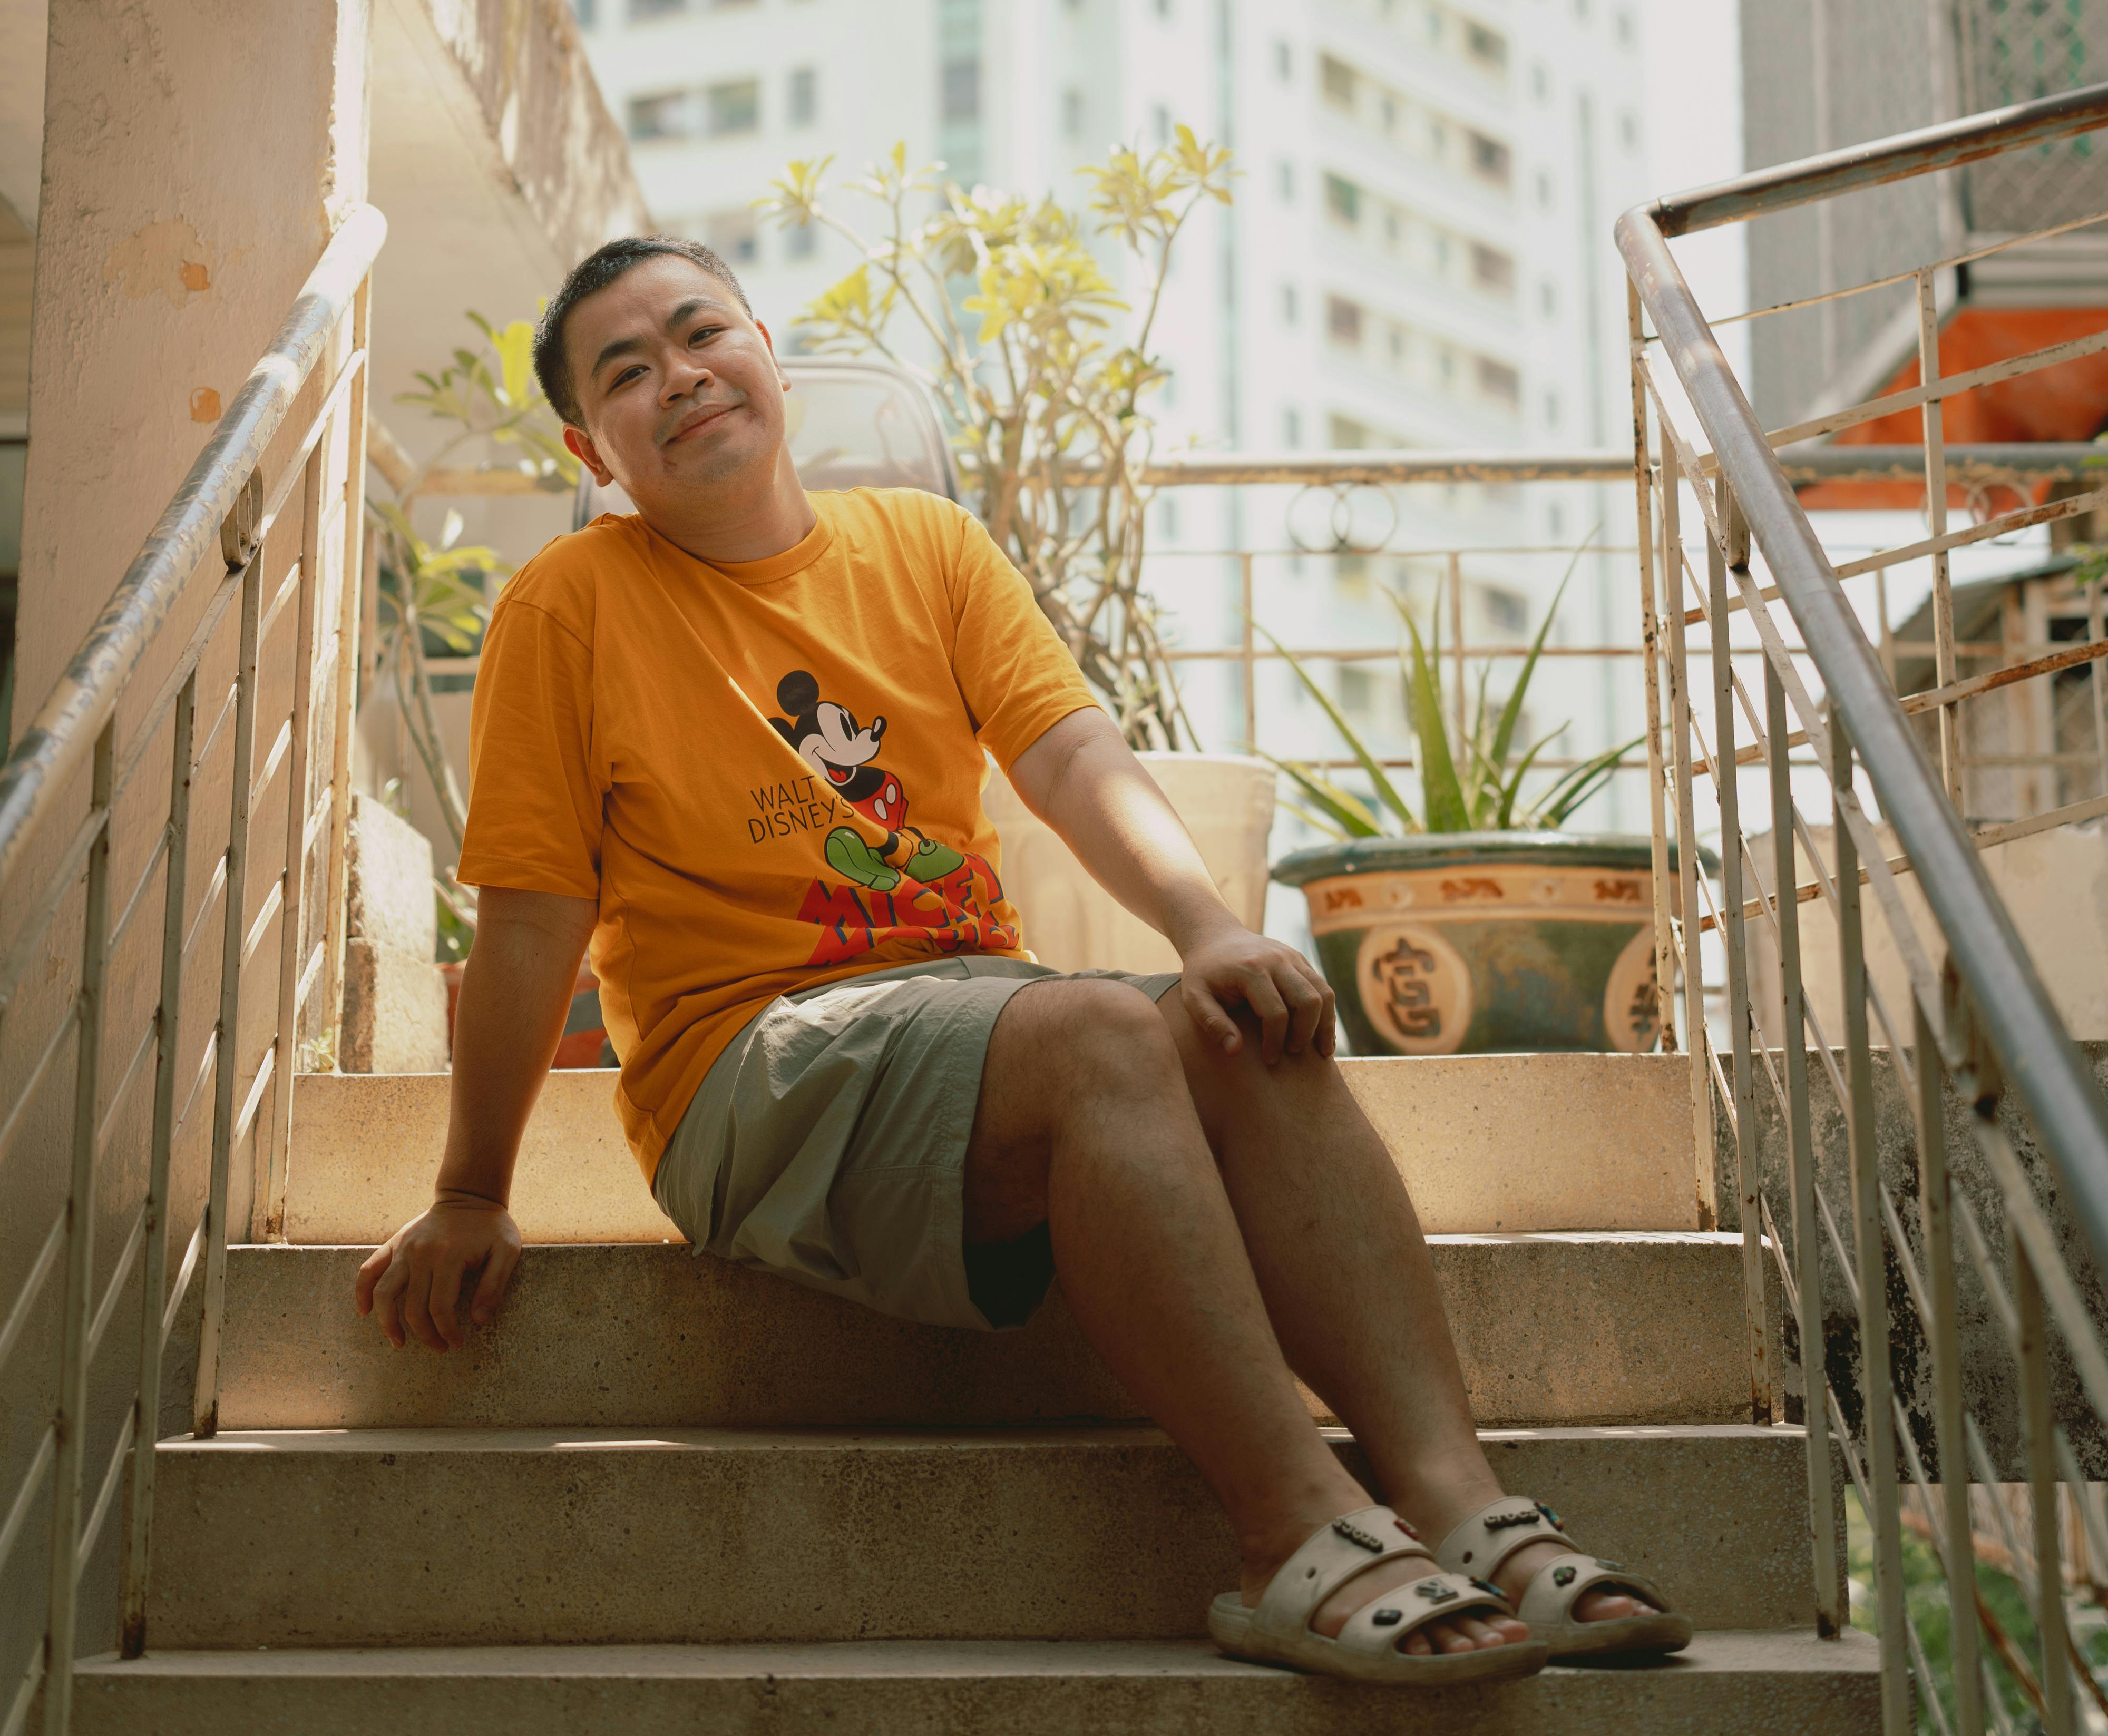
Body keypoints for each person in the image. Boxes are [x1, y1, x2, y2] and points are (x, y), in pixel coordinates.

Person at [355, 236, 1691, 1689]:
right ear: (589, 445)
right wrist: (472, 1190)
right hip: (749, 1064)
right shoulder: (572, 601)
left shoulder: (926, 548)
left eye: (700, 334)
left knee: (1237, 1019)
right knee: (1101, 1036)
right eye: (627, 373)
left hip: (972, 1019)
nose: (678, 378)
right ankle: (1295, 1534)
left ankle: (1456, 1501)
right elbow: (533, 914)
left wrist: (1211, 928)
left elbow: (1066, 754)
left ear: (767, 354)